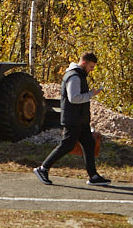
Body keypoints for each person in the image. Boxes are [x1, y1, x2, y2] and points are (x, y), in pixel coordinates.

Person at [34, 52, 111, 186]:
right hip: (73, 119)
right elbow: (74, 98)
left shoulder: (79, 75)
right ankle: (43, 168)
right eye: (91, 67)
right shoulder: (74, 77)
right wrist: (90, 94)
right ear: (83, 63)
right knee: (67, 145)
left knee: (89, 143)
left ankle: (93, 176)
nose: (91, 70)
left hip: (80, 119)